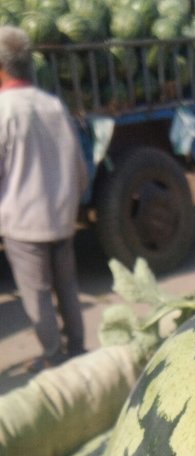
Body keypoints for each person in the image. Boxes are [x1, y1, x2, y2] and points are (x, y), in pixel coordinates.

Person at [0, 25, 89, 367]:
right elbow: (80, 169)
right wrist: (69, 204)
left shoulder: (5, 111)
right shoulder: (53, 105)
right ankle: (78, 350)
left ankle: (53, 357)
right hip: (60, 219)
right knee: (66, 287)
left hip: (24, 224)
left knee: (37, 295)